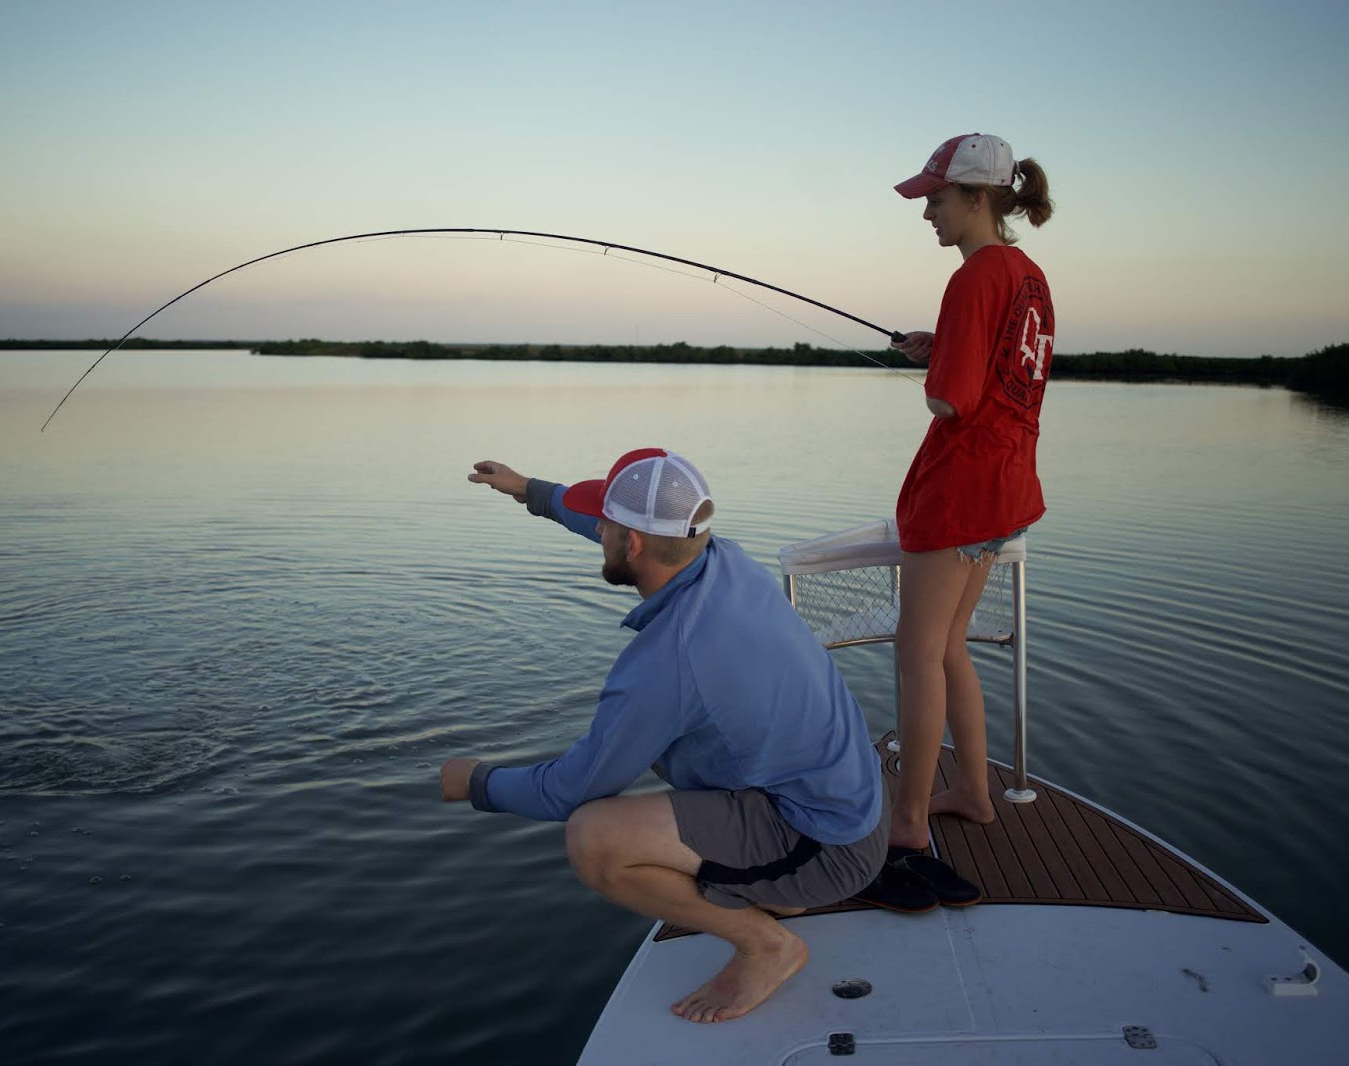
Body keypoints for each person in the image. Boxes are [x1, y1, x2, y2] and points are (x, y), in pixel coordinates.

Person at [444, 448, 886, 1024]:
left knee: (595, 836)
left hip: (826, 846)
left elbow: (567, 791)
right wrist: (529, 490)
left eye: (603, 521)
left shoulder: (667, 663)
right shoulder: (723, 560)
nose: (594, 526)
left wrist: (474, 782)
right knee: (660, 748)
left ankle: (767, 946)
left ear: (631, 544)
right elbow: (618, 530)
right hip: (854, 804)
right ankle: (775, 890)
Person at [880, 132, 1056, 900]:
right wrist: (942, 346)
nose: (927, 215)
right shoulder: (1028, 275)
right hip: (1008, 490)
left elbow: (952, 399)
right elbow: (998, 371)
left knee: (917, 653)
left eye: (937, 200)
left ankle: (908, 827)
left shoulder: (972, 278)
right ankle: (976, 793)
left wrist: (937, 362)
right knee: (951, 645)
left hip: (959, 493)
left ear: (977, 199)